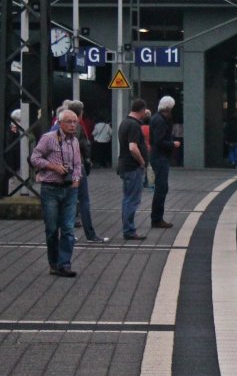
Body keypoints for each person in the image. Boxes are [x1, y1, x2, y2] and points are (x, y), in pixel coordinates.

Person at [30, 108, 83, 277]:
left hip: (69, 190)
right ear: (59, 123)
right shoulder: (49, 138)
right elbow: (34, 158)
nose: (73, 125)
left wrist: (76, 179)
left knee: (68, 229)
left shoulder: (74, 141)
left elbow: (77, 164)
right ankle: (53, 263)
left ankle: (64, 264)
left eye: (75, 121)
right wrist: (53, 166)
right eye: (69, 121)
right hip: (51, 188)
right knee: (52, 229)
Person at [65, 100, 108, 243]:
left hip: (64, 168)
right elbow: (83, 146)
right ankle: (90, 234)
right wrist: (87, 159)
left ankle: (67, 233)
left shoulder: (58, 126)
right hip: (78, 166)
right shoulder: (76, 126)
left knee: (68, 201)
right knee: (84, 201)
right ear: (80, 112)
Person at [118, 98, 149, 240]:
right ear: (142, 110)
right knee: (132, 199)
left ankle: (127, 228)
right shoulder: (134, 125)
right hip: (132, 167)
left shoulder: (124, 122)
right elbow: (133, 147)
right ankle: (129, 230)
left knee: (127, 198)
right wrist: (142, 162)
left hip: (124, 165)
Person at [149, 96, 181, 229]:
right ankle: (157, 219)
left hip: (158, 156)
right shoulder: (161, 121)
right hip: (160, 157)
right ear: (168, 108)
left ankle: (157, 218)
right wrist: (173, 144)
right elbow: (159, 141)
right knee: (161, 188)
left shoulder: (156, 118)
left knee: (161, 188)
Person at [141, 109, 154, 190]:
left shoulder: (139, 128)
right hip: (150, 149)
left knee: (142, 166)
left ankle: (142, 182)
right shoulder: (152, 128)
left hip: (141, 149)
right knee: (150, 166)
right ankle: (148, 182)